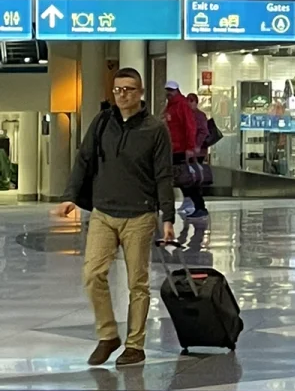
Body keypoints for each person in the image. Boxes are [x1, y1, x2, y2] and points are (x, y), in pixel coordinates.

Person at [57, 68, 175, 366]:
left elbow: (164, 175)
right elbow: (84, 158)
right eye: (119, 89)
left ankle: (135, 345)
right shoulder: (102, 122)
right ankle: (108, 335)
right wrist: (70, 196)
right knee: (92, 274)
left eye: (130, 89)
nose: (123, 95)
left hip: (139, 215)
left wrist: (169, 217)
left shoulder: (155, 128)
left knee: (138, 283)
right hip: (104, 213)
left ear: (142, 93)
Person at [182, 91, 210, 220]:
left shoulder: (199, 116)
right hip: (190, 150)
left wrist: (197, 145)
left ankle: (198, 205)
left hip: (197, 152)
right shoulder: (188, 115)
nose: (189, 104)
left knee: (194, 177)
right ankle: (191, 202)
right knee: (188, 176)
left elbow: (203, 131)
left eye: (191, 101)